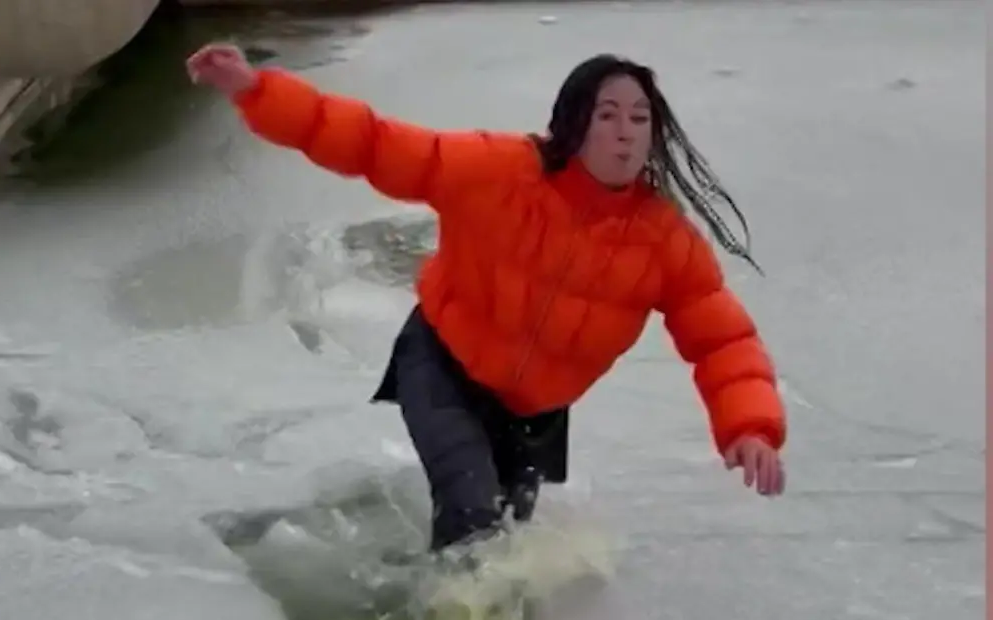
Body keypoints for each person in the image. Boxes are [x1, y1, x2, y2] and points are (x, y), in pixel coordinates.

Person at [186, 44, 787, 557]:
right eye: (607, 115)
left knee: (503, 545)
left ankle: (473, 618)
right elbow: (375, 145)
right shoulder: (499, 171)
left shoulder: (663, 241)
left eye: (639, 117)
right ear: (573, 123)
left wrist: (750, 426)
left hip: (535, 417)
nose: (625, 131)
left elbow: (721, 339)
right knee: (472, 517)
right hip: (443, 365)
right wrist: (258, 92)